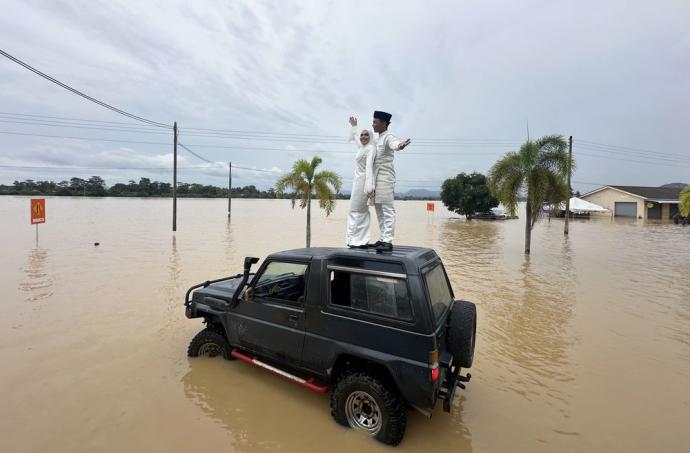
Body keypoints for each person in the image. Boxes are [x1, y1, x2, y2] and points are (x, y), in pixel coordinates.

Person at [370, 110, 411, 251]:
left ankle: (388, 240)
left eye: (375, 122)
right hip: (375, 177)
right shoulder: (376, 139)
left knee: (387, 209)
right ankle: (382, 238)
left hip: (386, 176)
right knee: (379, 208)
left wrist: (401, 145)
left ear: (383, 123)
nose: (373, 124)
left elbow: (395, 144)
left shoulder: (388, 136)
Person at [345, 116, 376, 248]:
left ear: (370, 137)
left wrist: (369, 188)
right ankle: (353, 239)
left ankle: (360, 241)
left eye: (366, 135)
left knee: (360, 211)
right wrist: (354, 126)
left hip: (364, 182)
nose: (363, 137)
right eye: (362, 135)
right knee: (353, 210)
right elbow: (356, 137)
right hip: (356, 182)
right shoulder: (361, 147)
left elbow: (369, 168)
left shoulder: (371, 148)